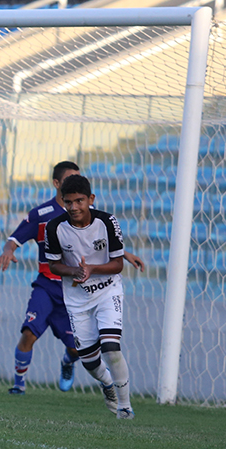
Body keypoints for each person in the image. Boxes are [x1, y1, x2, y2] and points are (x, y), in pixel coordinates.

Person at [0, 161, 144, 396]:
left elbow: (99, 243)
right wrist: (8, 250)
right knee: (28, 333)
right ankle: (18, 385)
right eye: (69, 179)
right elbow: (14, 239)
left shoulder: (87, 213)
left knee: (77, 349)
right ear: (57, 184)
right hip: (47, 285)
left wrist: (125, 254)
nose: (74, 201)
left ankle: (67, 361)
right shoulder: (42, 215)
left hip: (75, 291)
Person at [45, 174, 134, 419]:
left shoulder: (107, 222)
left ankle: (125, 407)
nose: (74, 207)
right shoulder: (55, 228)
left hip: (107, 291)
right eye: (68, 202)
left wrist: (92, 269)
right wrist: (74, 271)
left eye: (79, 201)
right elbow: (53, 265)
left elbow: (118, 264)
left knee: (111, 347)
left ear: (90, 199)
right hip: (77, 298)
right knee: (89, 361)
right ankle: (107, 383)